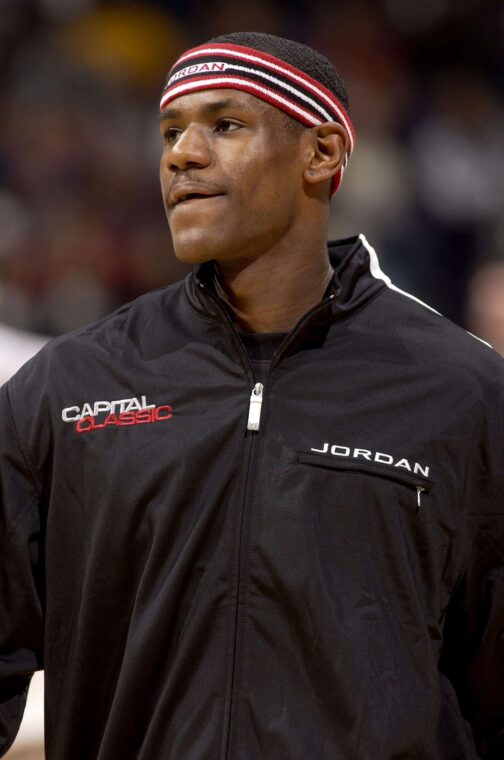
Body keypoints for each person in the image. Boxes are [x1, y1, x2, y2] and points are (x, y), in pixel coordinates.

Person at [0, 31, 503, 760]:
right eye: (170, 132)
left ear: (322, 153)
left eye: (225, 125)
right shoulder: (70, 386)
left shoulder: (462, 393)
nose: (182, 154)